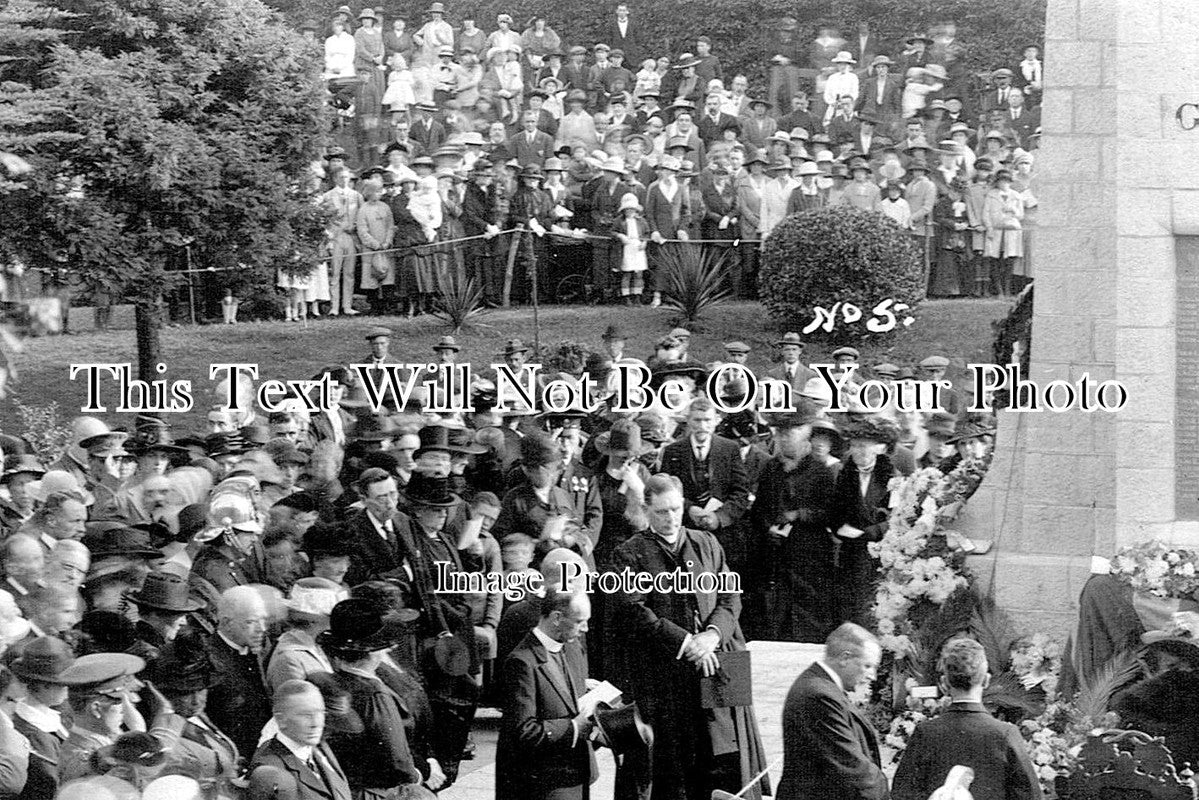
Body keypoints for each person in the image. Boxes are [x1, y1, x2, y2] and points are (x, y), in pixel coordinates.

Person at [612, 473, 769, 800]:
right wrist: (686, 643)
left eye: (675, 510)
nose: (670, 519)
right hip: (665, 677)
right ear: (646, 509)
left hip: (715, 666)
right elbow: (635, 610)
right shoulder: (630, 553)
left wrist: (712, 635)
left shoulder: (707, 543)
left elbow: (730, 596)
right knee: (672, 768)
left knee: (724, 757)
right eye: (661, 512)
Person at [892, 638, 1042, 800]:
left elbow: (902, 792)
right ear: (986, 680)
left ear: (944, 683)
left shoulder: (926, 732)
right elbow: (1030, 795)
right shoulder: (1006, 733)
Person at [495, 590, 597, 800]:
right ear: (557, 618)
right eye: (579, 621)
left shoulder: (571, 647)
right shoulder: (522, 662)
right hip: (544, 785)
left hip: (575, 775)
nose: (585, 628)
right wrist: (574, 726)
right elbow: (524, 730)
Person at [776, 623, 888, 800]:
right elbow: (851, 766)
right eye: (867, 666)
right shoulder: (820, 695)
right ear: (845, 658)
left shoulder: (820, 686)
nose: (872, 676)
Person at [247, 680, 353, 800]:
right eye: (306, 715)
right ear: (281, 720)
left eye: (320, 712)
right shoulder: (270, 769)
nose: (316, 723)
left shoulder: (319, 747)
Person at [205, 585, 272, 762]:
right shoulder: (209, 658)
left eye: (263, 620)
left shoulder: (252, 649)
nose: (261, 629)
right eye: (251, 622)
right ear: (227, 623)